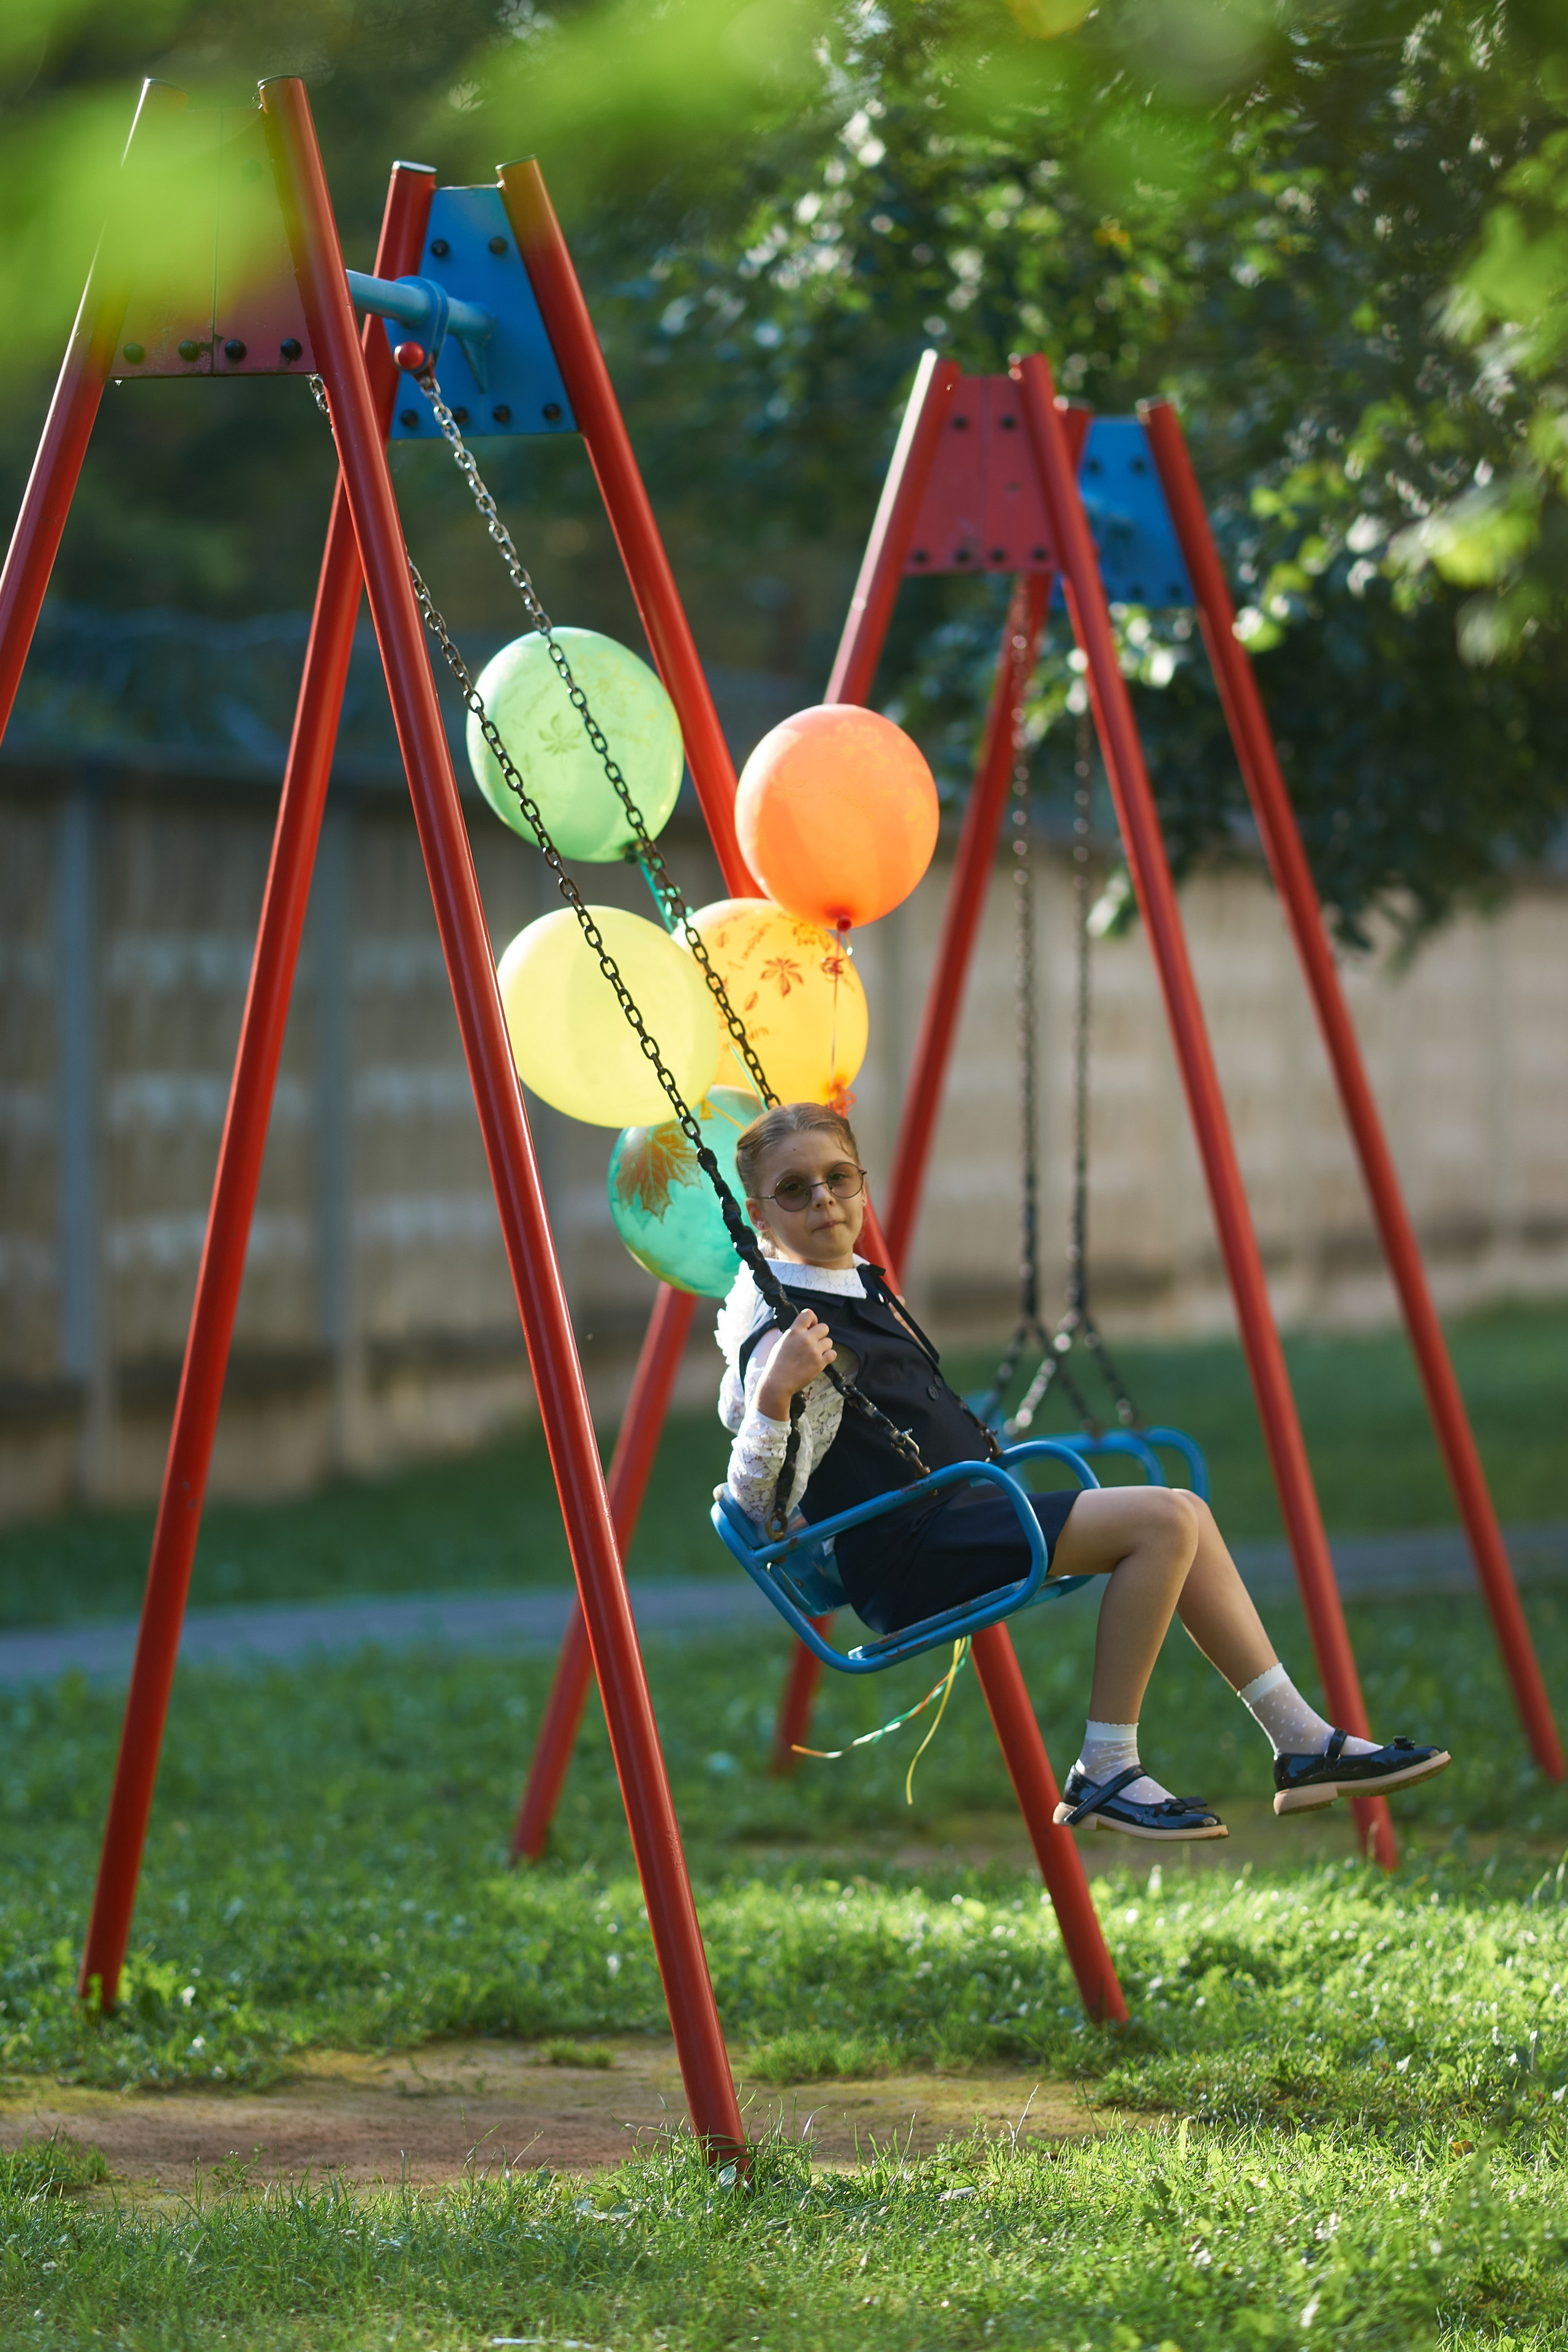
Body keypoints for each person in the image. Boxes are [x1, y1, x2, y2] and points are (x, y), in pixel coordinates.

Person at [717, 1099, 1450, 1844]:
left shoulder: (855, 1285)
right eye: (794, 1190)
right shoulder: (783, 1332)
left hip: (960, 1515)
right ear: (760, 1216)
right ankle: (1105, 1769)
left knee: (1186, 1513)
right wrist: (773, 1394)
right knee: (1162, 1523)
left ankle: (1299, 1741)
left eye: (838, 1178)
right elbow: (754, 1505)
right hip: (911, 1554)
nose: (823, 1200)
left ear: (862, 1185)